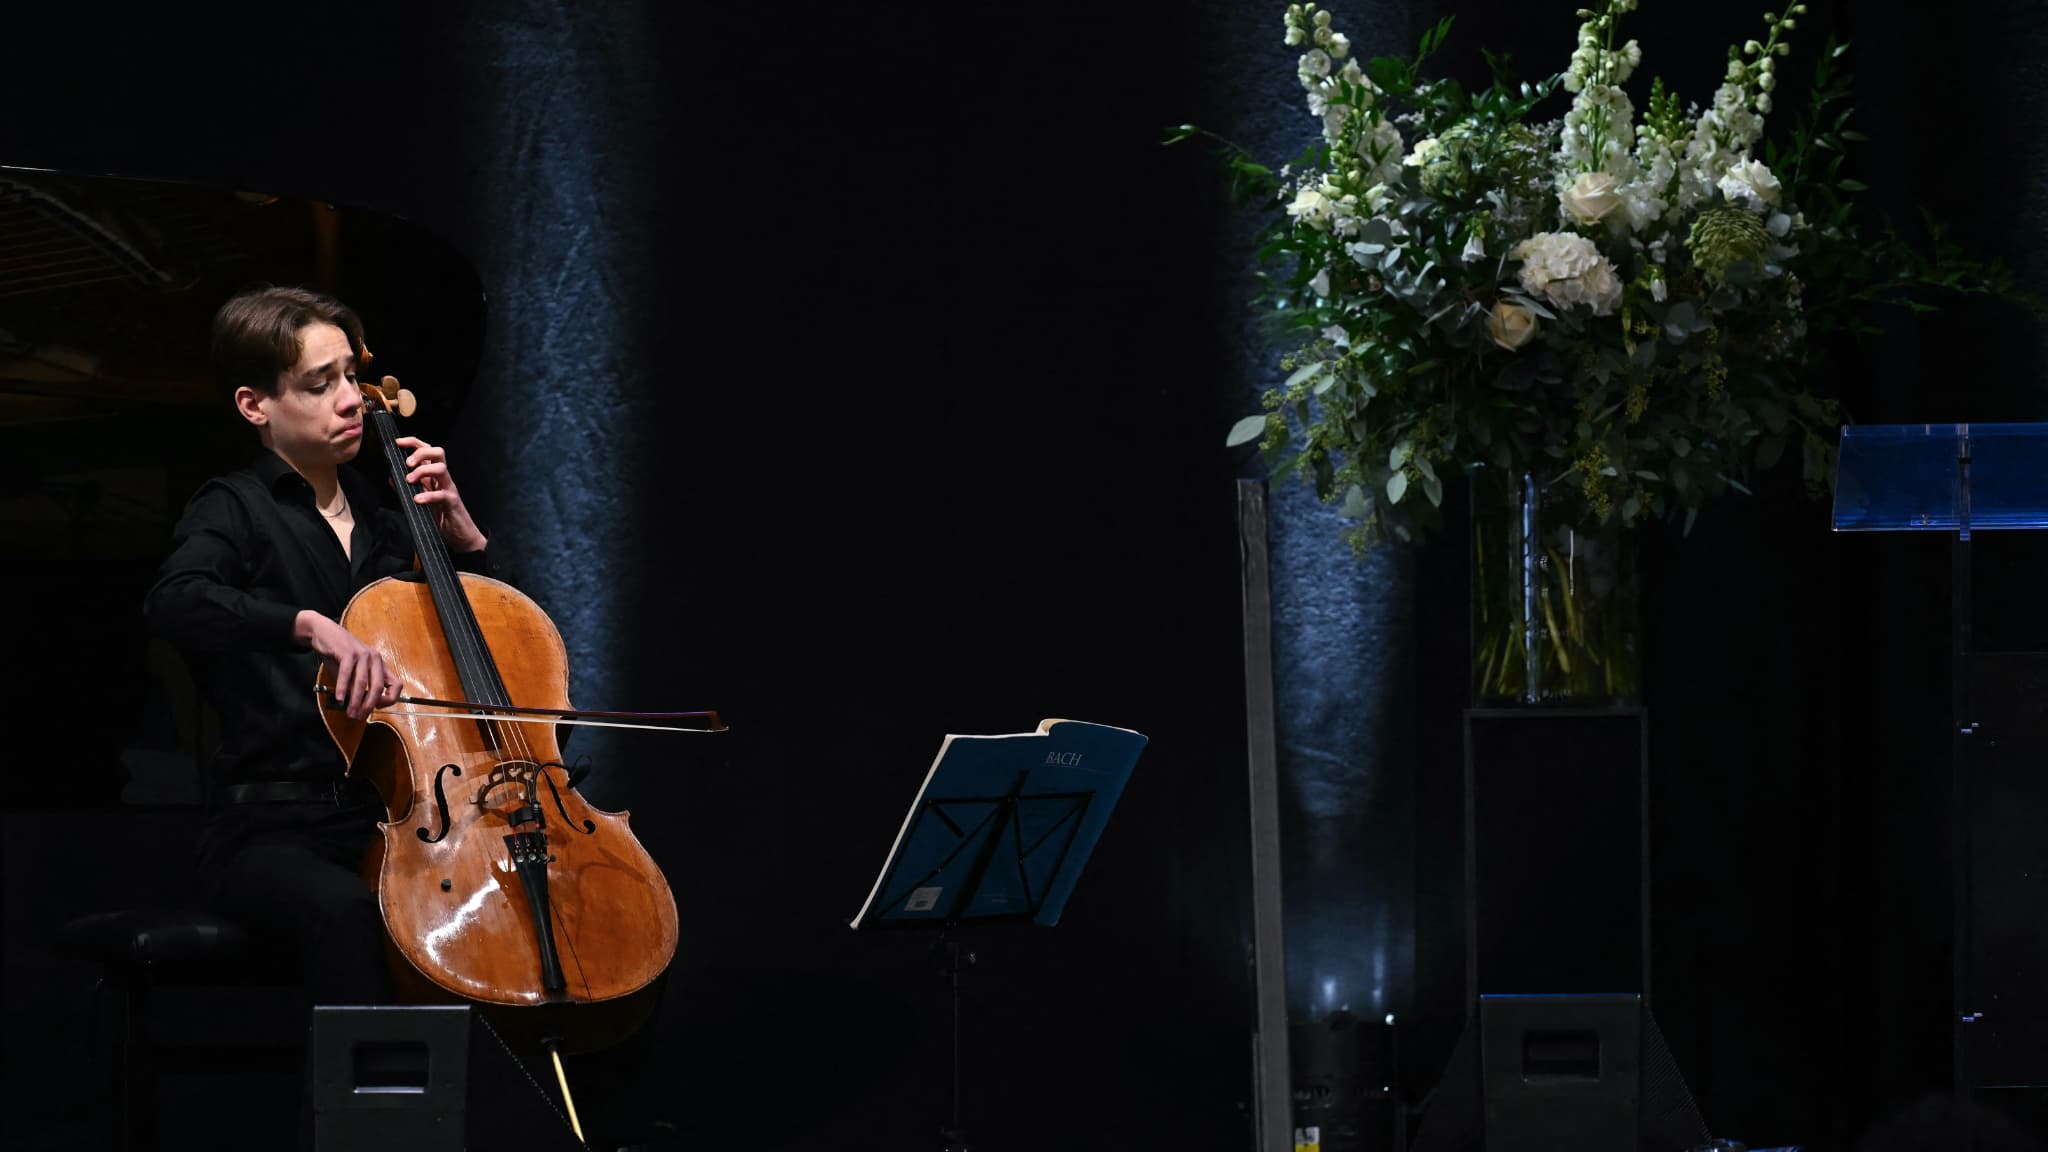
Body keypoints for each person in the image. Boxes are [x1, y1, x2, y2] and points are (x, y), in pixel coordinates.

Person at [145, 284, 492, 1006]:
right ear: (255, 406)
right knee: (345, 912)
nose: (352, 400)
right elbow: (175, 600)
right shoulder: (233, 506)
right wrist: (307, 623)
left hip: (388, 821)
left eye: (350, 377)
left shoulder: (390, 517)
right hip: (270, 831)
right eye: (319, 383)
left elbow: (495, 654)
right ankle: (350, 1121)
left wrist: (467, 543)